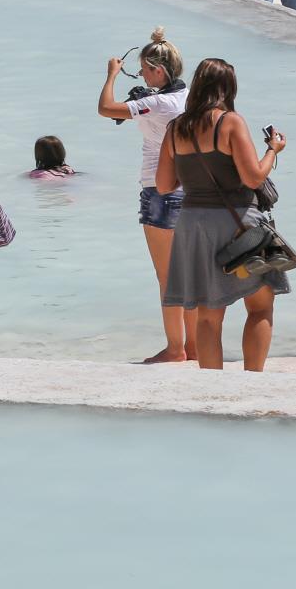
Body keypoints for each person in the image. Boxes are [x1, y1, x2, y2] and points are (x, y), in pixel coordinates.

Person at [156, 58, 288, 371]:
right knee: (259, 306)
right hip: (237, 225)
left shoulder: (176, 128)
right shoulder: (230, 122)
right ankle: (250, 382)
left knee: (208, 315)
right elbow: (253, 178)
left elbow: (164, 185)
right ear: (228, 87)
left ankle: (212, 390)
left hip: (193, 225)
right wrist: (273, 150)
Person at [99, 30, 193, 363]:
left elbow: (106, 108)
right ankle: (193, 345)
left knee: (167, 277)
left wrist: (111, 74)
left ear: (158, 70)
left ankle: (174, 348)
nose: (139, 75)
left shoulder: (155, 103)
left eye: (142, 69)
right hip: (190, 190)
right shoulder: (187, 98)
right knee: (189, 272)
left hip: (158, 189)